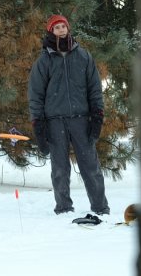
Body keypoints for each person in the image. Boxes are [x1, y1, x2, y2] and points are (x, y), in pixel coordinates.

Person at [28, 15, 110, 215]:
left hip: (81, 120)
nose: (61, 29)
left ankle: (100, 208)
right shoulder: (44, 60)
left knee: (91, 167)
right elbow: (35, 94)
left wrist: (97, 115)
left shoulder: (83, 56)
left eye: (63, 26)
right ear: (51, 31)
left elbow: (94, 89)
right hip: (55, 122)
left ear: (68, 28)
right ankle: (64, 208)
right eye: (57, 27)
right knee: (60, 169)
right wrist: (38, 123)